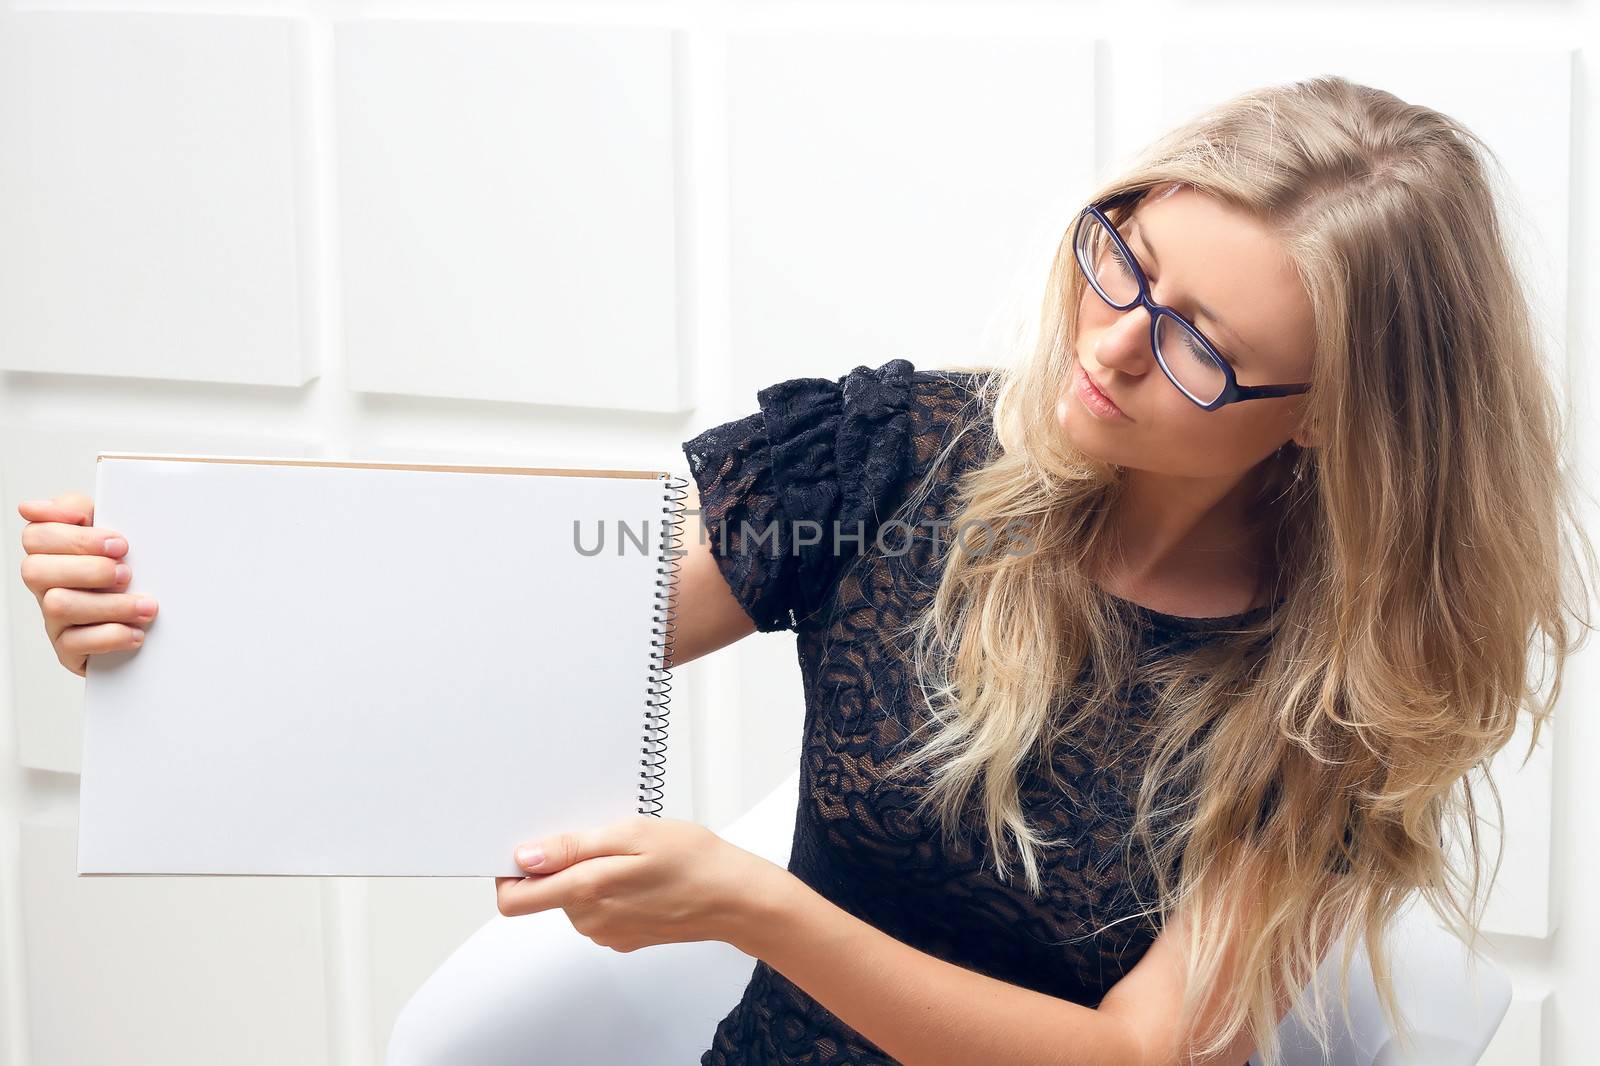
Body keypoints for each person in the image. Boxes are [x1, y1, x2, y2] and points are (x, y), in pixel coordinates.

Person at [20, 74, 1594, 1066]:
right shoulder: (897, 459)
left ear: (1327, 428)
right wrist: (173, 638)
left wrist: (759, 910)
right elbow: (500, 646)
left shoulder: (1330, 696)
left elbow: (1137, 1057)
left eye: (1199, 343)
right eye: (1128, 254)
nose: (1110, 343)